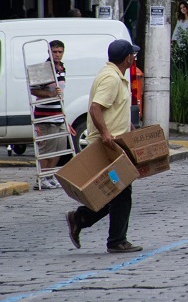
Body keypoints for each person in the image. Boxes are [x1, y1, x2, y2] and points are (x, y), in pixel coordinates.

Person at [65, 39, 142, 254]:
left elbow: (114, 109)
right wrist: (107, 134)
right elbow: (96, 108)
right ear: (127, 57)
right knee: (121, 191)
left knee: (115, 191)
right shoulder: (111, 79)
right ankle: (115, 240)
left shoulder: (115, 77)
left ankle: (81, 218)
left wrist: (130, 127)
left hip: (115, 145)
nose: (134, 58)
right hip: (107, 149)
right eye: (133, 55)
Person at [30, 40, 68, 190]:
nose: (57, 54)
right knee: (47, 149)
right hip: (45, 115)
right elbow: (33, 90)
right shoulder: (44, 69)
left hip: (58, 113)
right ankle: (41, 178)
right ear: (49, 52)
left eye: (60, 52)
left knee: (60, 148)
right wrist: (49, 94)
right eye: (54, 52)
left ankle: (50, 175)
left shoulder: (62, 67)